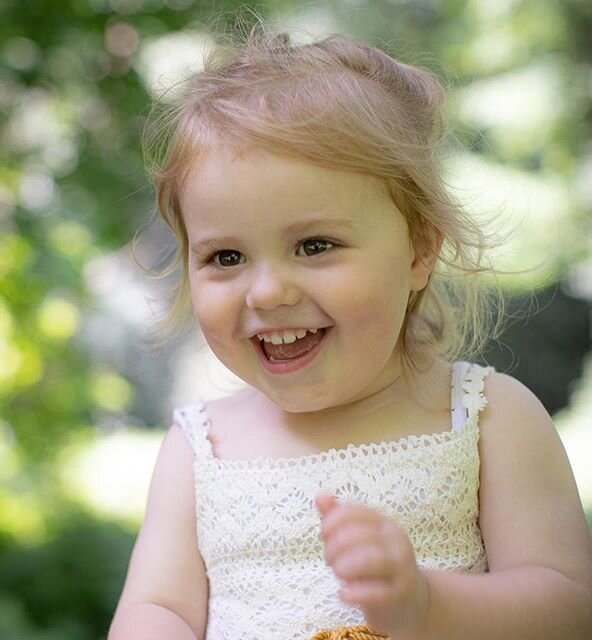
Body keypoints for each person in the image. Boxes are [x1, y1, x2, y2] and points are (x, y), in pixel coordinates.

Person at [108, 23, 592, 640]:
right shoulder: (200, 448)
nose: (267, 292)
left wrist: (426, 604)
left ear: (419, 249)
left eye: (314, 245)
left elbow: (567, 608)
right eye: (226, 257)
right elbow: (158, 611)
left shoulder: (485, 418)